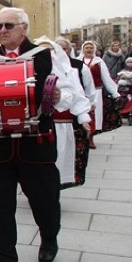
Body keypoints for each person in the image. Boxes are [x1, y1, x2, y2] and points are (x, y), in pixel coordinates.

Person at [0, 7, 80, 262]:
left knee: (44, 201)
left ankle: (49, 237)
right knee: (0, 207)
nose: (2, 30)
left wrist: (56, 95)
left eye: (8, 25)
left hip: (36, 144)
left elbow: (69, 95)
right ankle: (6, 261)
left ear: (24, 28)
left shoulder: (45, 56)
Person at [53, 37, 94, 190]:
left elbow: (78, 93)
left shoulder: (73, 69)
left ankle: (54, 190)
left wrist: (84, 115)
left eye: (62, 49)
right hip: (42, 124)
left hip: (63, 121)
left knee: (61, 156)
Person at [80, 41, 119, 148]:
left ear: (94, 50)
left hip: (96, 92)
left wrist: (114, 92)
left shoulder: (99, 62)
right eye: (86, 48)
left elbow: (106, 78)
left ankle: (91, 137)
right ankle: (83, 137)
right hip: (81, 92)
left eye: (91, 48)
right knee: (82, 113)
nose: (88, 50)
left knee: (95, 115)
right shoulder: (78, 61)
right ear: (83, 49)